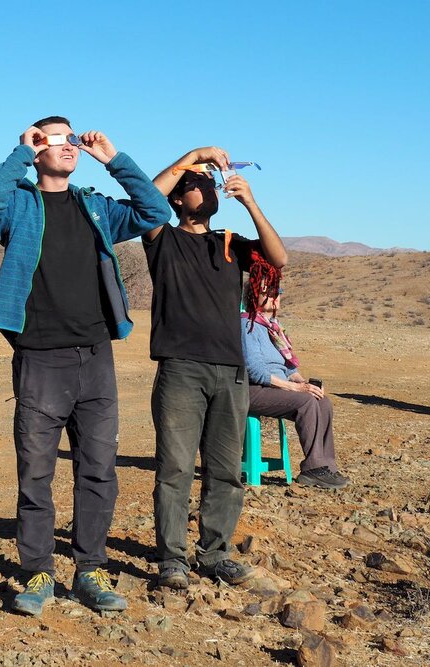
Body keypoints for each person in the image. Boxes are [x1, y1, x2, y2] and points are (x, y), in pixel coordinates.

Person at [0, 116, 171, 616]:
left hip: (96, 356)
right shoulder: (18, 203)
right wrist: (21, 151)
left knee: (99, 470)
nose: (66, 147)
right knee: (36, 472)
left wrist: (114, 160)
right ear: (37, 148)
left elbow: (154, 210)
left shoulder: (95, 207)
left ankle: (90, 569)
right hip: (40, 358)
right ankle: (38, 571)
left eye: (70, 139)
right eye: (52, 139)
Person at [143, 146, 287, 591]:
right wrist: (191, 157)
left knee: (226, 470)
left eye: (207, 182)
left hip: (231, 371)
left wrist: (251, 203)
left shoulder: (229, 243)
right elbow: (145, 197)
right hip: (181, 371)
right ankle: (172, 559)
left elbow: (278, 258)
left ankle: (215, 554)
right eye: (192, 185)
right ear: (176, 200)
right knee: (175, 468)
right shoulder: (162, 240)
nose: (202, 187)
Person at [241, 280, 349, 489]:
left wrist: (305, 383)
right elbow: (255, 371)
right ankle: (312, 469)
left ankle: (327, 465)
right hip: (253, 389)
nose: (275, 295)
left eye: (277, 291)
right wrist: (295, 388)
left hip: (276, 389)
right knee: (306, 401)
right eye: (269, 292)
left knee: (322, 401)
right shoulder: (248, 325)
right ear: (255, 297)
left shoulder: (274, 328)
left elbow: (288, 368)